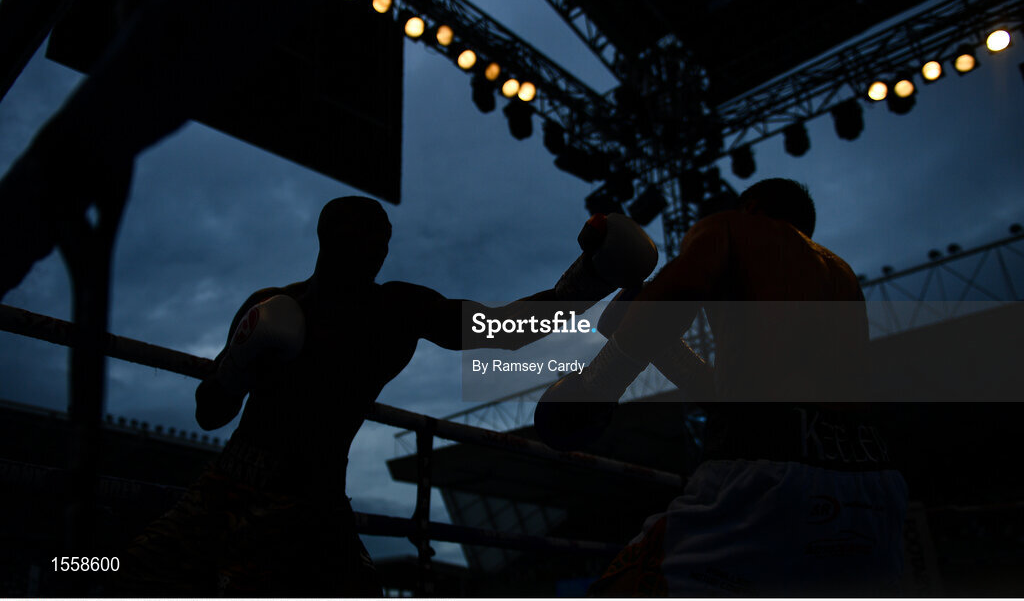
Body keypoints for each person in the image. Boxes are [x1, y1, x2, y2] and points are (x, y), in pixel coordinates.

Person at [114, 195, 657, 596]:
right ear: (330, 239)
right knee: (106, 573)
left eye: (382, 241)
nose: (375, 251)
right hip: (229, 485)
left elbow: (502, 330)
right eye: (364, 238)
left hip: (316, 503)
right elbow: (211, 412)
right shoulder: (273, 304)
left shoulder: (396, 309)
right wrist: (237, 362)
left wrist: (587, 280)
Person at [535, 178, 908, 596]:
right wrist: (650, 337)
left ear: (750, 205)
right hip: (876, 489)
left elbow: (676, 295)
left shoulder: (733, 226)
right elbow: (738, 402)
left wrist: (597, 384)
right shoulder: (842, 275)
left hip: (768, 479)